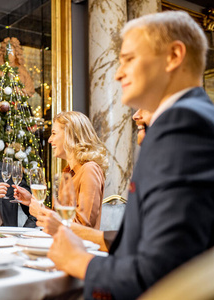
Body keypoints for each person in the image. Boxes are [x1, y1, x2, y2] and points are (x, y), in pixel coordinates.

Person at [44, 11, 214, 300]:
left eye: (129, 59)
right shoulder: (190, 119)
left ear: (174, 56)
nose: (117, 73)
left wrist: (78, 261)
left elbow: (162, 272)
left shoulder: (184, 125)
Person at [14, 111, 108, 229]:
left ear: (71, 135)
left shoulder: (89, 170)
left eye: (54, 133)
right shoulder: (68, 173)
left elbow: (84, 226)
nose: (49, 140)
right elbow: (60, 219)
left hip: (78, 246)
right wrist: (32, 202)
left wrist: (40, 212)